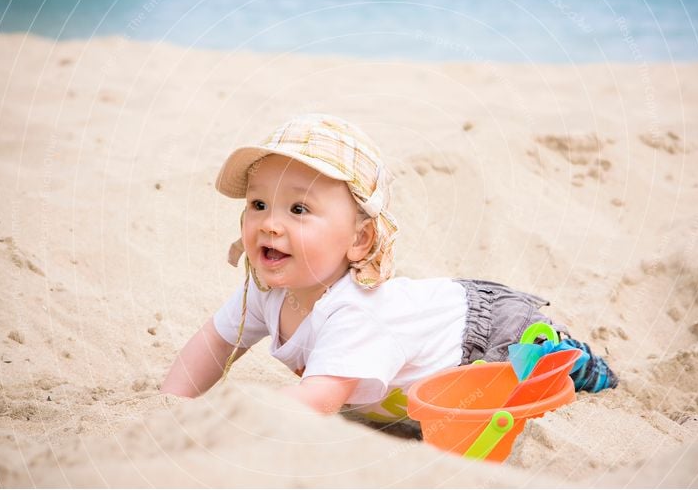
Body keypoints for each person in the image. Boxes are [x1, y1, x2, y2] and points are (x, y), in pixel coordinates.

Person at [161, 114, 617, 422]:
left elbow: (315, 402)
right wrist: (172, 404)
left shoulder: (354, 310)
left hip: (490, 336)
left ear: (359, 239)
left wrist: (239, 423)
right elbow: (214, 342)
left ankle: (590, 368)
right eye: (258, 204)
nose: (270, 224)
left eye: (299, 209)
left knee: (558, 370)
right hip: (442, 326)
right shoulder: (264, 289)